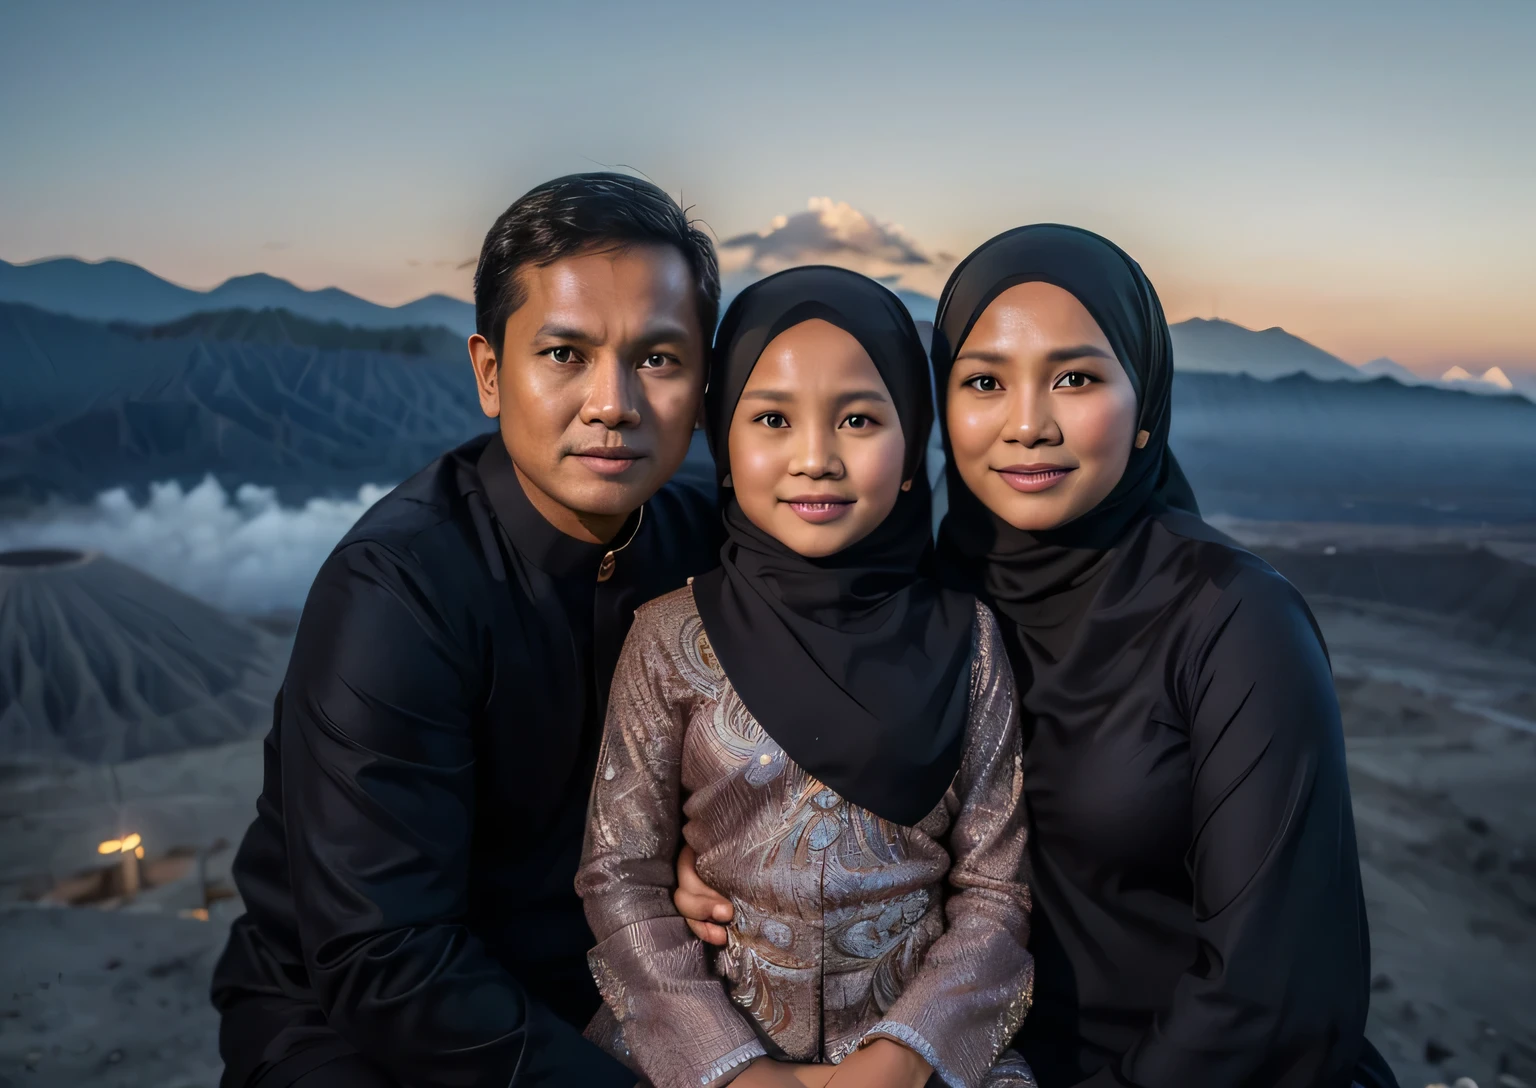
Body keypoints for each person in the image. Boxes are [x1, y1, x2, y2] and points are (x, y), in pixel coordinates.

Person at [677, 226, 1400, 1088]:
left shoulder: (1233, 621)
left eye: (1077, 378)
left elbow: (1272, 989)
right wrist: (732, 868)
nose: (1027, 423)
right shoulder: (921, 605)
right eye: (985, 381)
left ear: (1145, 408)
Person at [211, 173, 723, 1088]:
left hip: (622, 990)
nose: (614, 402)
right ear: (491, 373)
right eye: (565, 354)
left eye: (659, 358)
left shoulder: (710, 547)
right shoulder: (397, 591)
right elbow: (385, 957)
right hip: (364, 1026)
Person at [576, 267, 1037, 1088]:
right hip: (698, 1063)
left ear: (911, 448)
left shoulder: (966, 637)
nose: (816, 458)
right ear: (724, 441)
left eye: (859, 418)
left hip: (919, 1063)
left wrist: (899, 1062)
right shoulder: (667, 634)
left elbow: (996, 893)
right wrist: (739, 1074)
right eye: (772, 419)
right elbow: (622, 878)